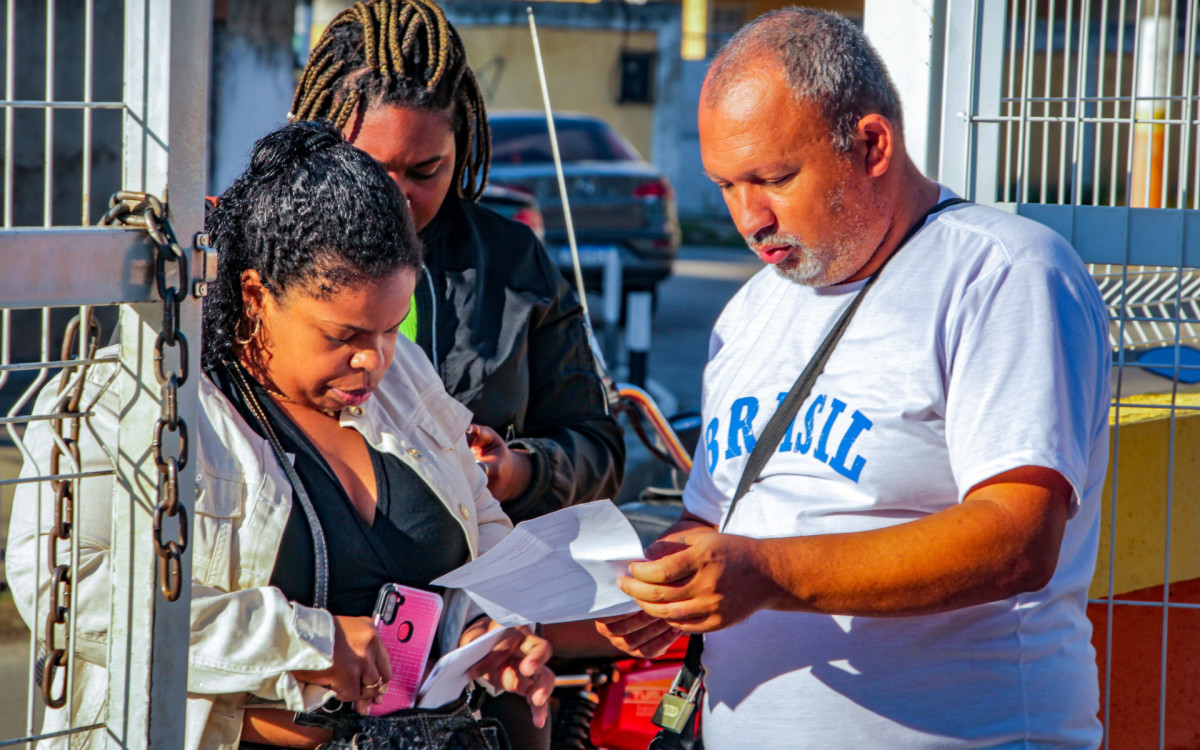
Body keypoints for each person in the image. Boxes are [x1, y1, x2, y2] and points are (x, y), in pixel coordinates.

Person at [598, 8, 1111, 749]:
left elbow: (1017, 536)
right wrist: (664, 582)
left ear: (871, 144)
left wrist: (765, 574)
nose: (749, 217)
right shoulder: (747, 314)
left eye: (774, 178)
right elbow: (719, 525)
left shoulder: (1002, 274)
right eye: (726, 186)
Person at [6, 121, 553, 750]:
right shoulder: (136, 402)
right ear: (256, 294)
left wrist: (483, 629)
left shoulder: (403, 376)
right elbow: (68, 592)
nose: (374, 359)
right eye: (343, 336)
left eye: (391, 327)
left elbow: (482, 524)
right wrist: (304, 642)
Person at [289, 0, 624, 525]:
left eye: (425, 170)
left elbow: (597, 449)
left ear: (461, 148)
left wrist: (519, 470)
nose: (396, 199)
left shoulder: (515, 263)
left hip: (480, 579)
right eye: (370, 170)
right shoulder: (266, 252)